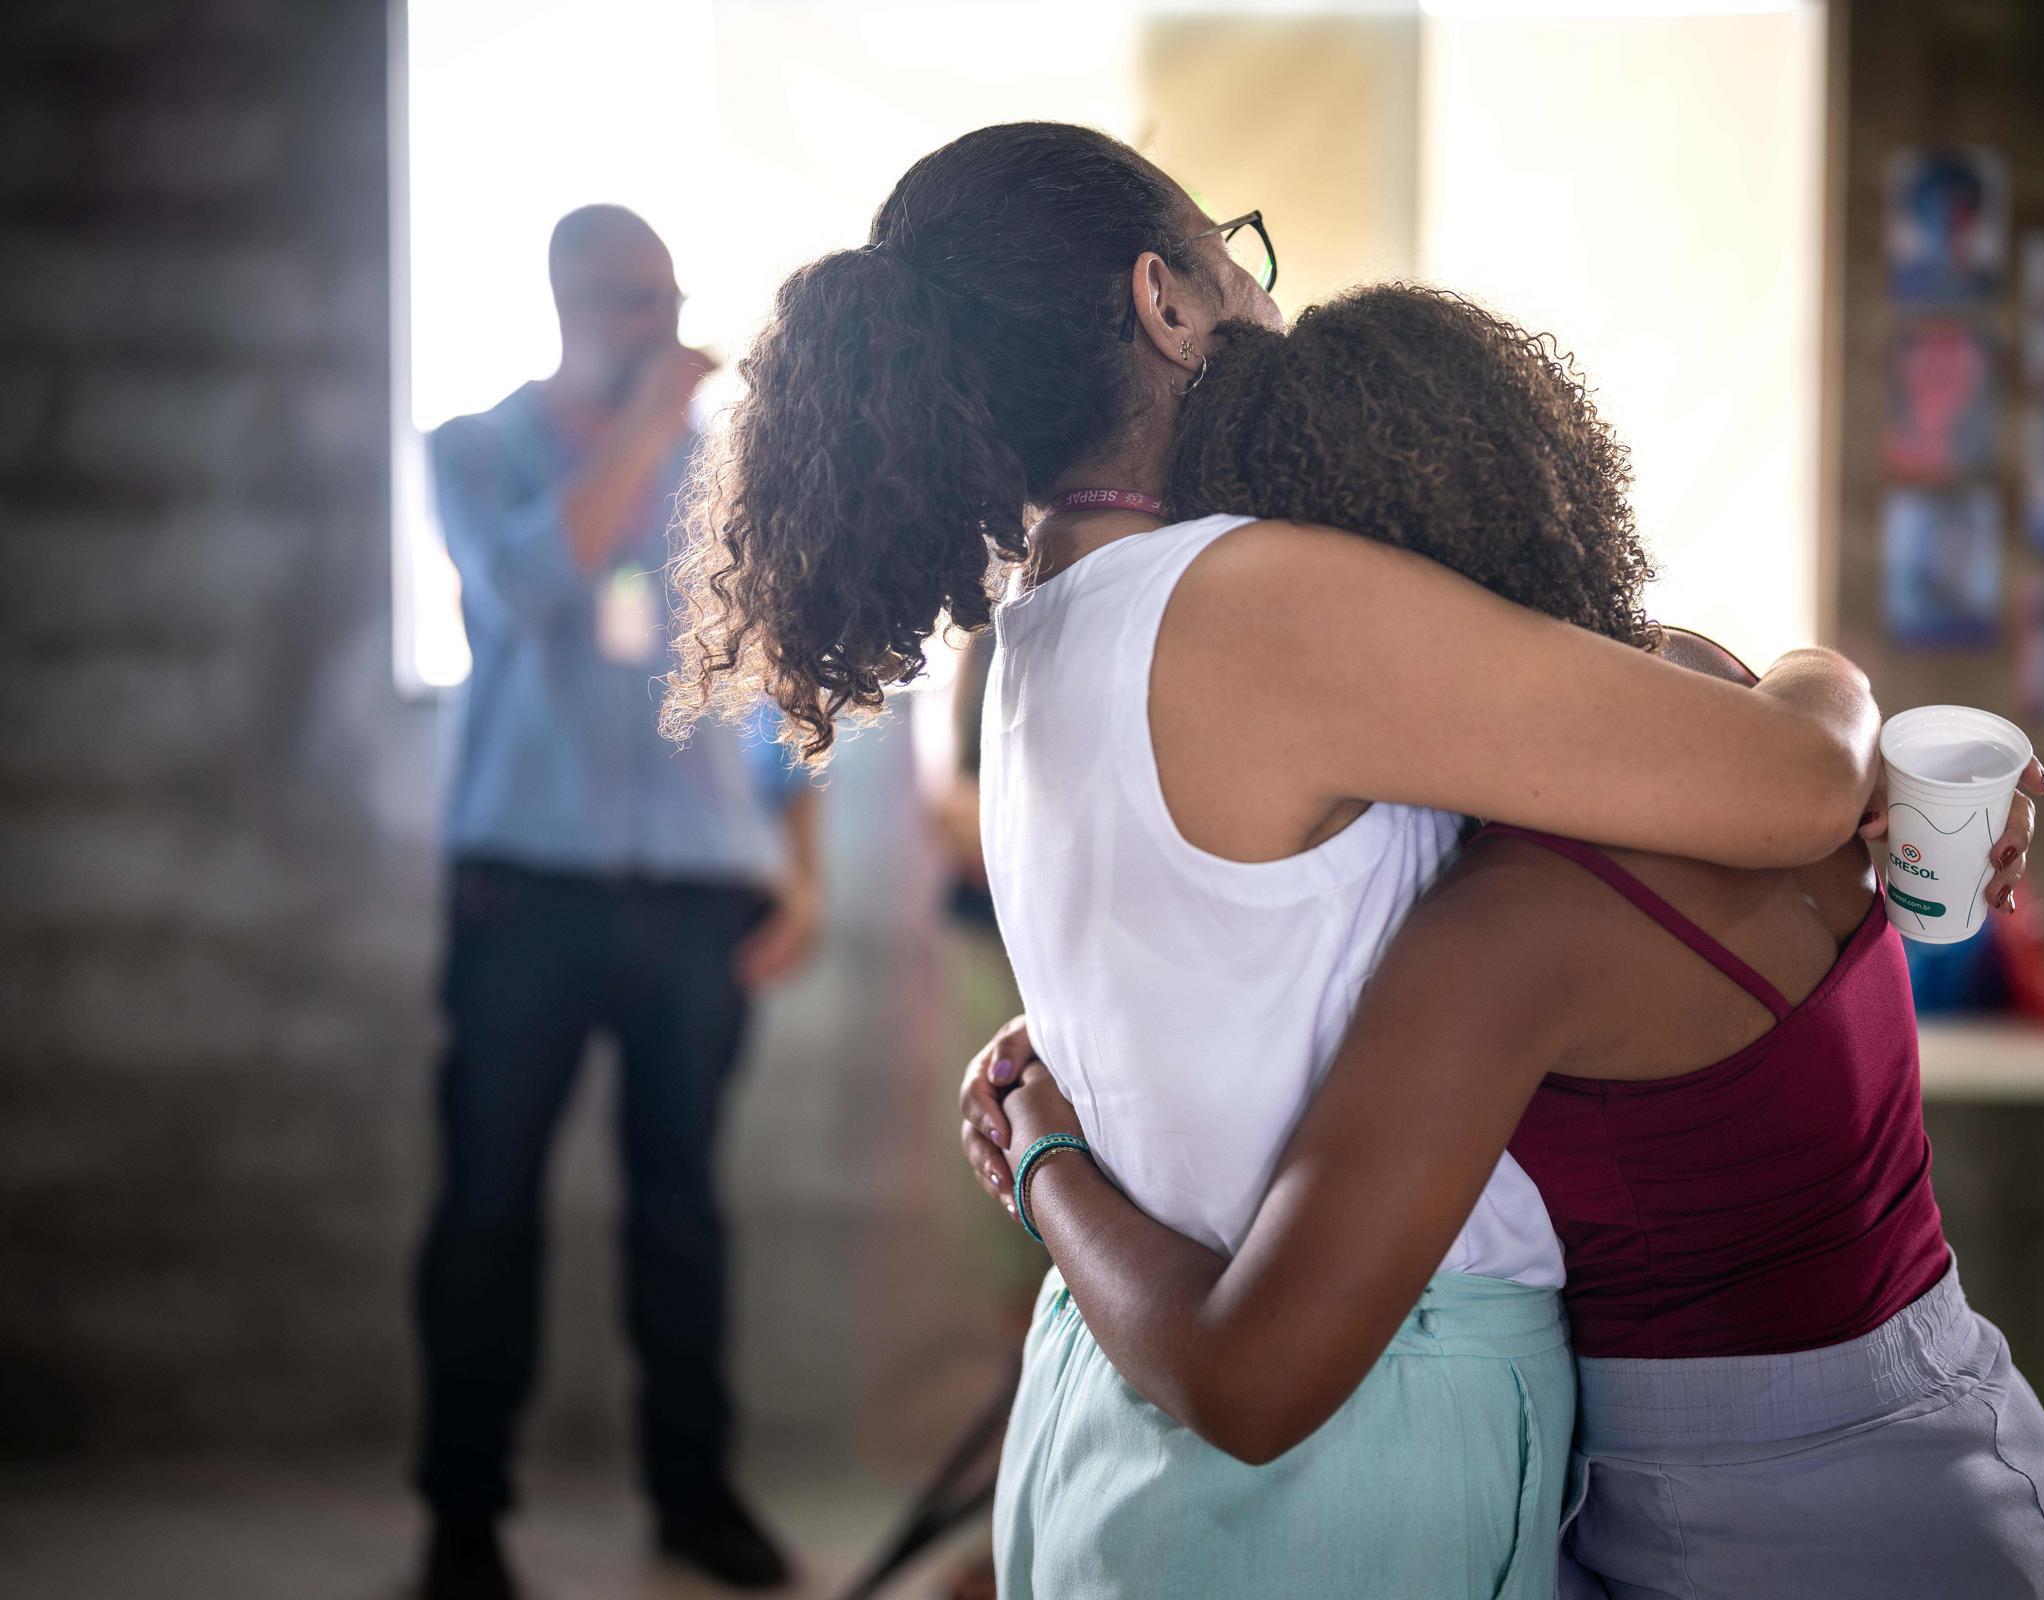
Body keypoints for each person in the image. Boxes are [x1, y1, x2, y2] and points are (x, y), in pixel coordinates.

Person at [665, 123, 1886, 1598]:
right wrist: (1830, 674)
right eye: (1234, 256)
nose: (1268, 299)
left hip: (1115, 1409)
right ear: (1164, 302)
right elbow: (1803, 783)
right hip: (1344, 1455)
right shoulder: (1254, 607)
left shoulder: (1041, 633)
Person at [956, 287, 2044, 1598]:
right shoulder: (1719, 699)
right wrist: (1841, 691)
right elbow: (1810, 696)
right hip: (1966, 1445)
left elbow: (1247, 1376)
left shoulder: (1511, 931)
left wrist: (1039, 1145)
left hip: (1768, 1539)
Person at [413, 205, 819, 1600]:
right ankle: (463, 1522)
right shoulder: (473, 452)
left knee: (683, 1213)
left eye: (662, 298)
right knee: (487, 1207)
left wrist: (800, 874)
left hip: (698, 898)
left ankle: (695, 1499)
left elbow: (773, 696)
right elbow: (527, 586)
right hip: (525, 891)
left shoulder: (722, 478)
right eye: (620, 298)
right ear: (562, 297)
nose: (650, 323)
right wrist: (647, 428)